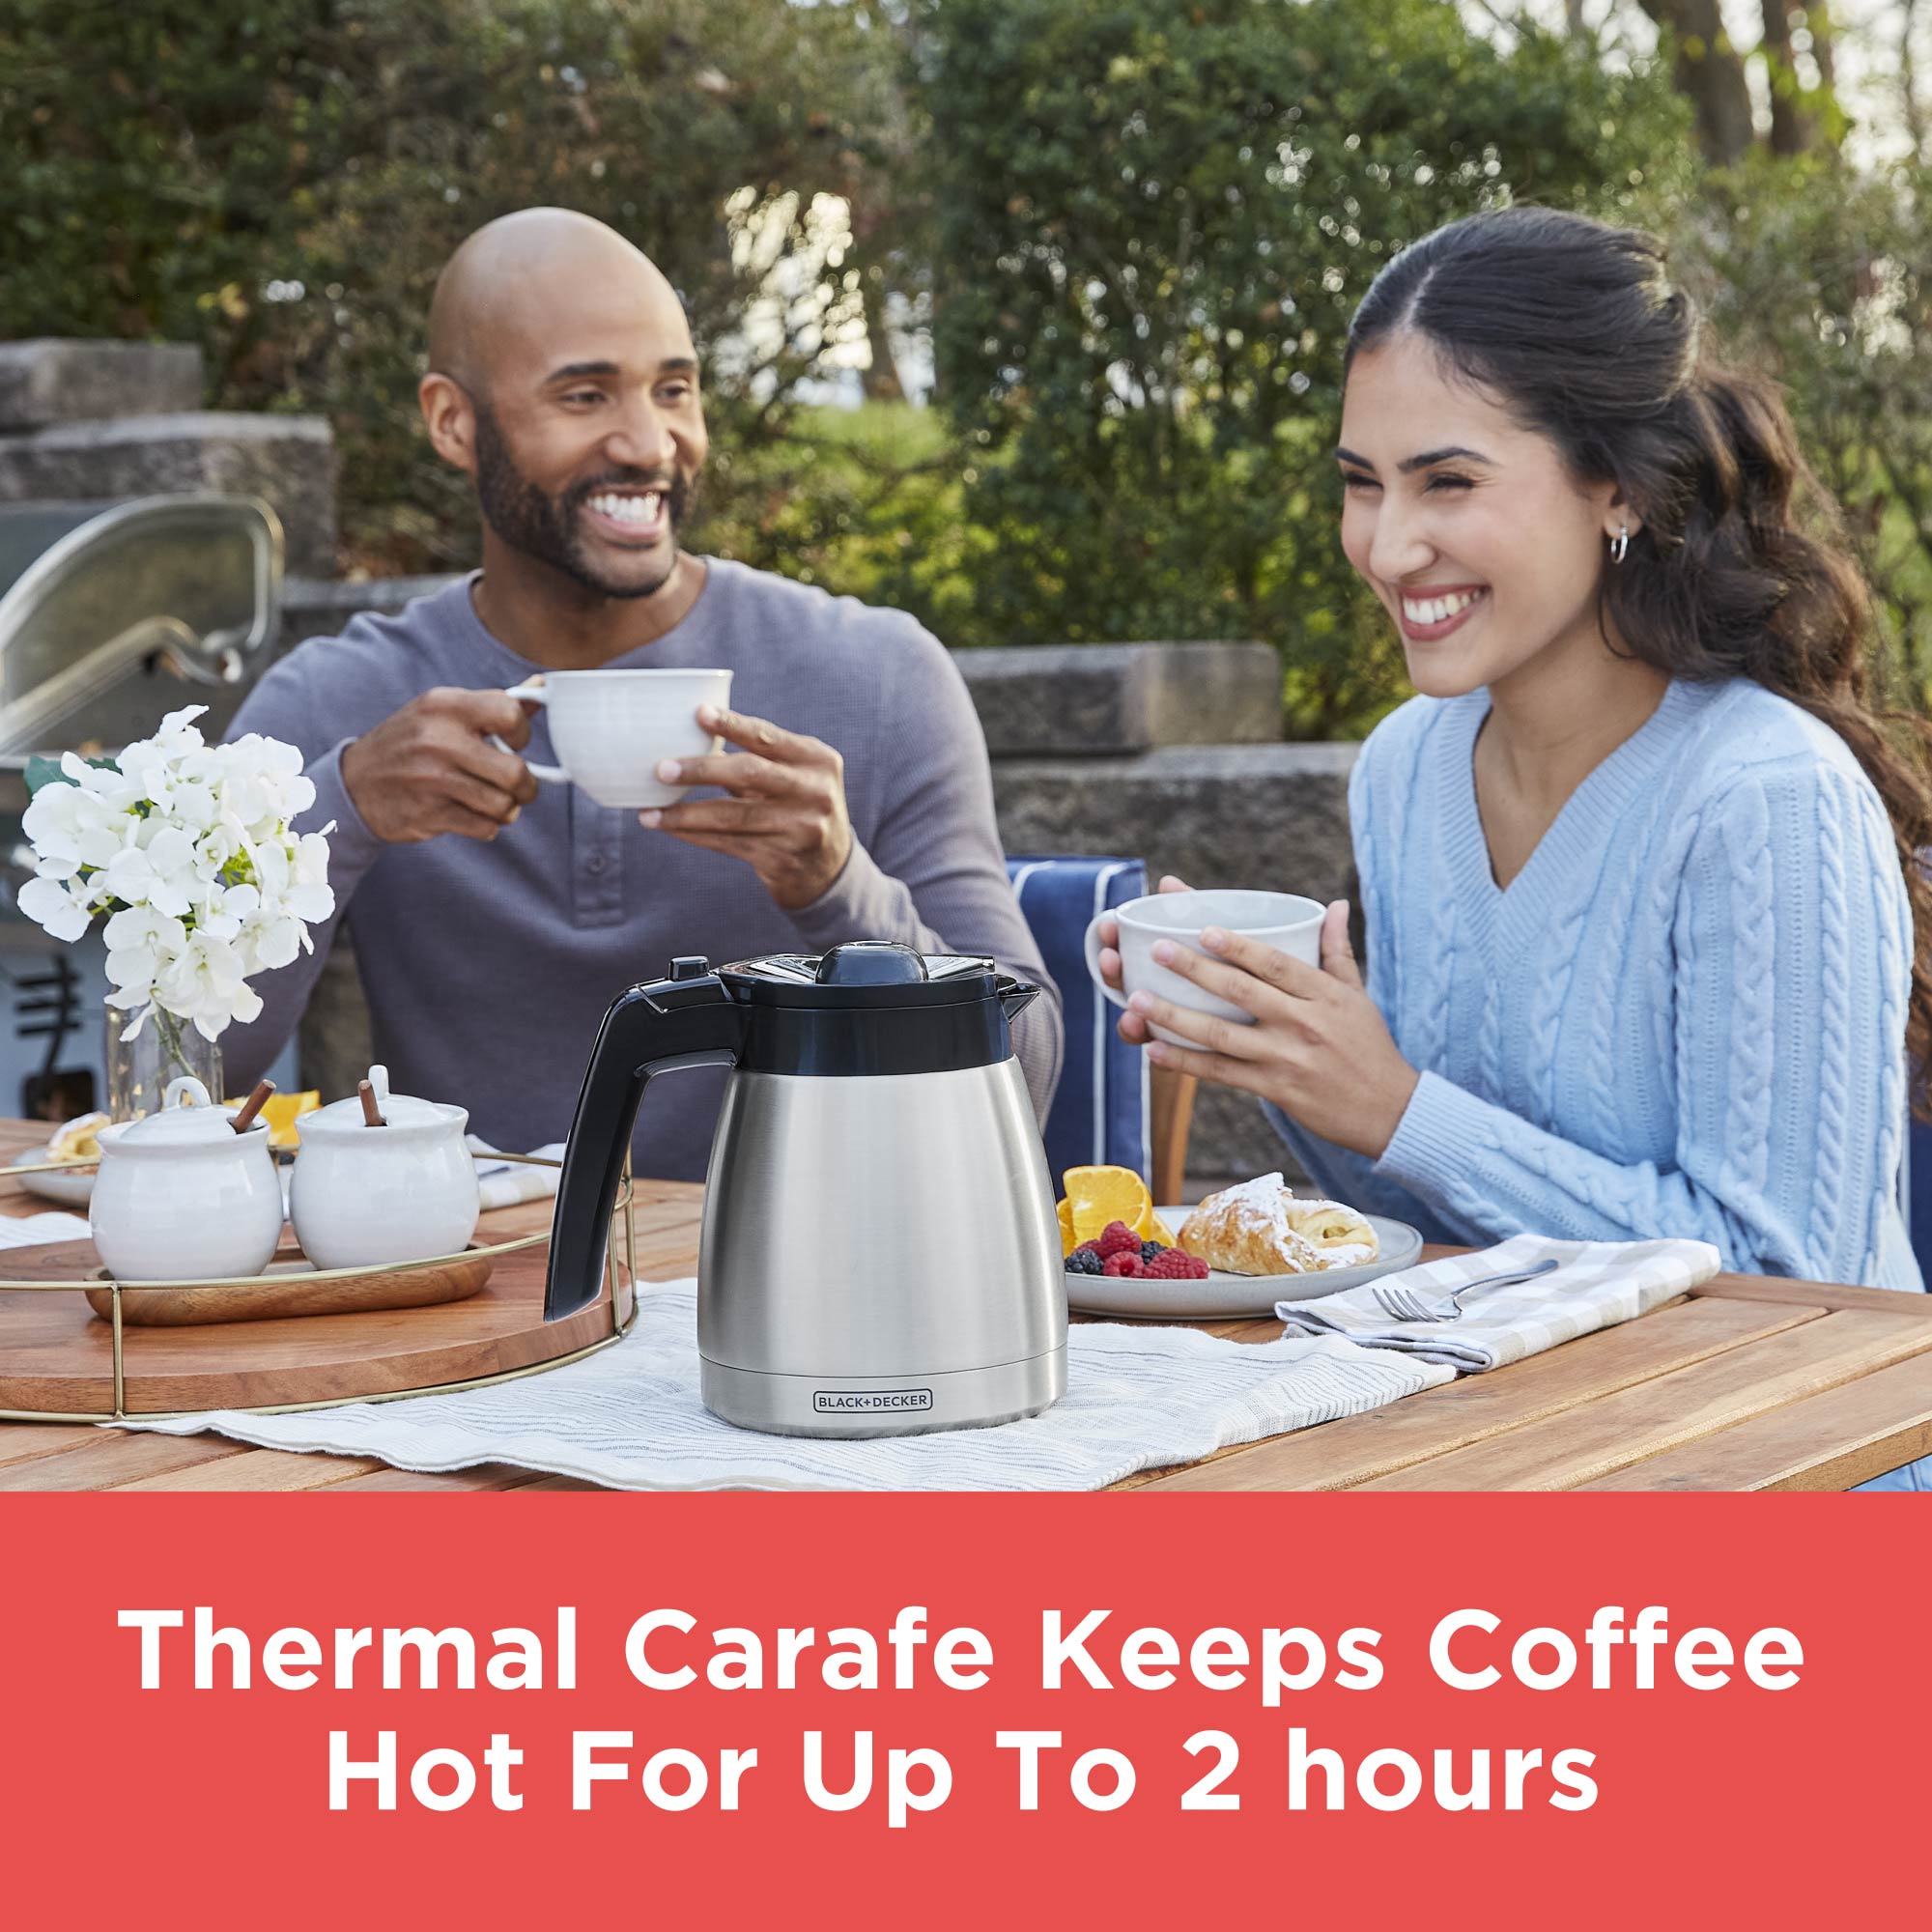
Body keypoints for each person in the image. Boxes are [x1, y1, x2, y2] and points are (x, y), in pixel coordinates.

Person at [1099, 207, 1932, 1489]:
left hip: (1797, 1507)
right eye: (1360, 484)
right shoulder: (1405, 768)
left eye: (1448, 482)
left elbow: (1791, 1291)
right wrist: (1279, 1044)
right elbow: (1444, 1221)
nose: (1387, 545)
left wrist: (1394, 1105)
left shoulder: (1762, 797)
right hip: (1527, 1460)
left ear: (1618, 488)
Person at [223, 208, 1061, 1174]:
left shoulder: (874, 676)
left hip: (796, 1291)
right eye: (584, 396)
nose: (649, 442)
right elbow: (172, 1072)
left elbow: (1026, 1086)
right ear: (455, 422)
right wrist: (344, 811)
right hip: (468, 1296)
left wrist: (840, 891)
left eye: (674, 389)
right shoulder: (341, 704)